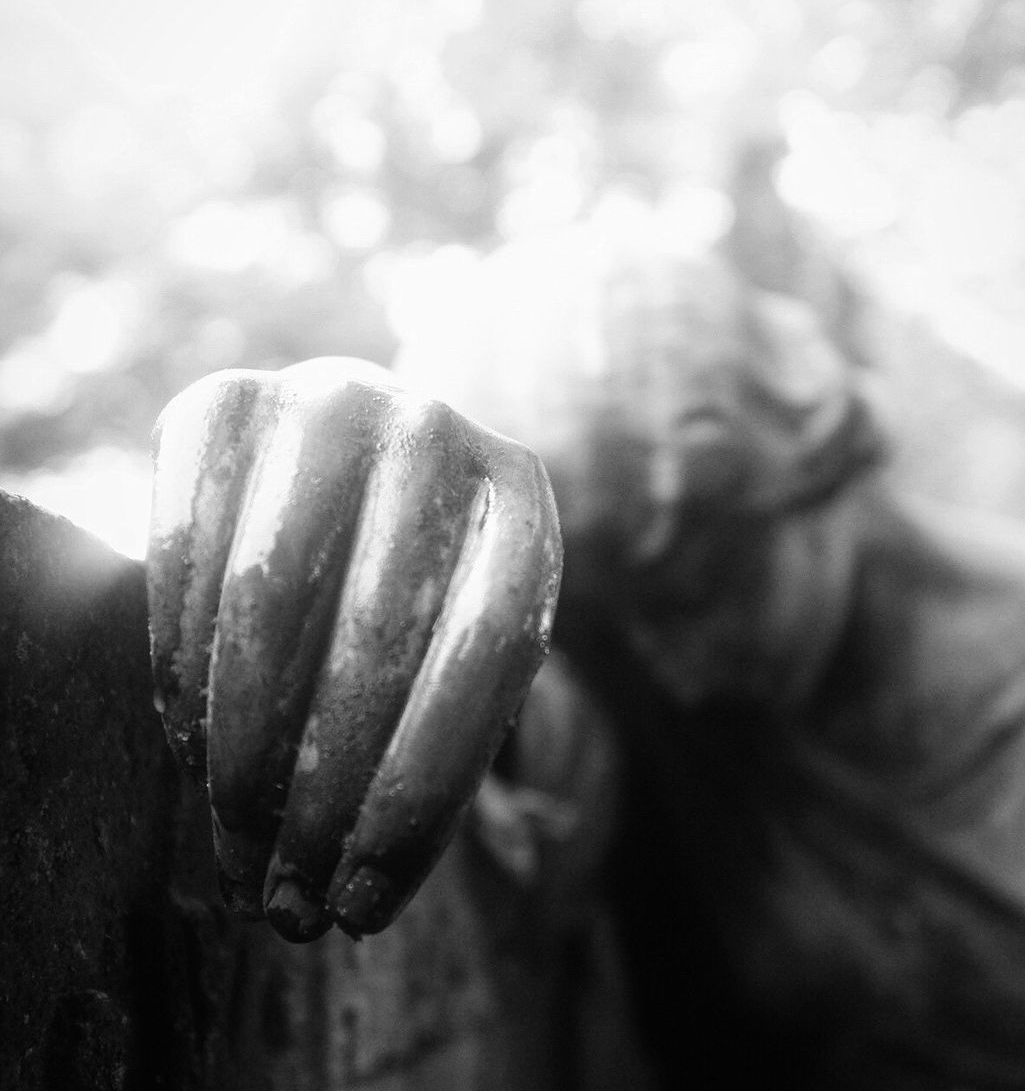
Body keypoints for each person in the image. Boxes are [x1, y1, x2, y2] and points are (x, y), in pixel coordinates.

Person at [147, 234, 1025, 1087]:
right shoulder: (635, 704)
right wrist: (376, 476)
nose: (673, 670)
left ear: (804, 455)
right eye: (605, 623)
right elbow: (517, 727)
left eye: (688, 589)